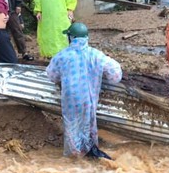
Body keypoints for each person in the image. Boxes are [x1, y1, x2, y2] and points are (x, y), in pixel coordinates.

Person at [46, 22, 123, 159]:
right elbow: (116, 76)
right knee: (89, 126)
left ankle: (75, 158)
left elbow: (51, 76)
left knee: (72, 127)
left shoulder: (62, 56)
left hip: (70, 101)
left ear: (70, 38)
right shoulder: (96, 55)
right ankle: (90, 154)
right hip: (89, 99)